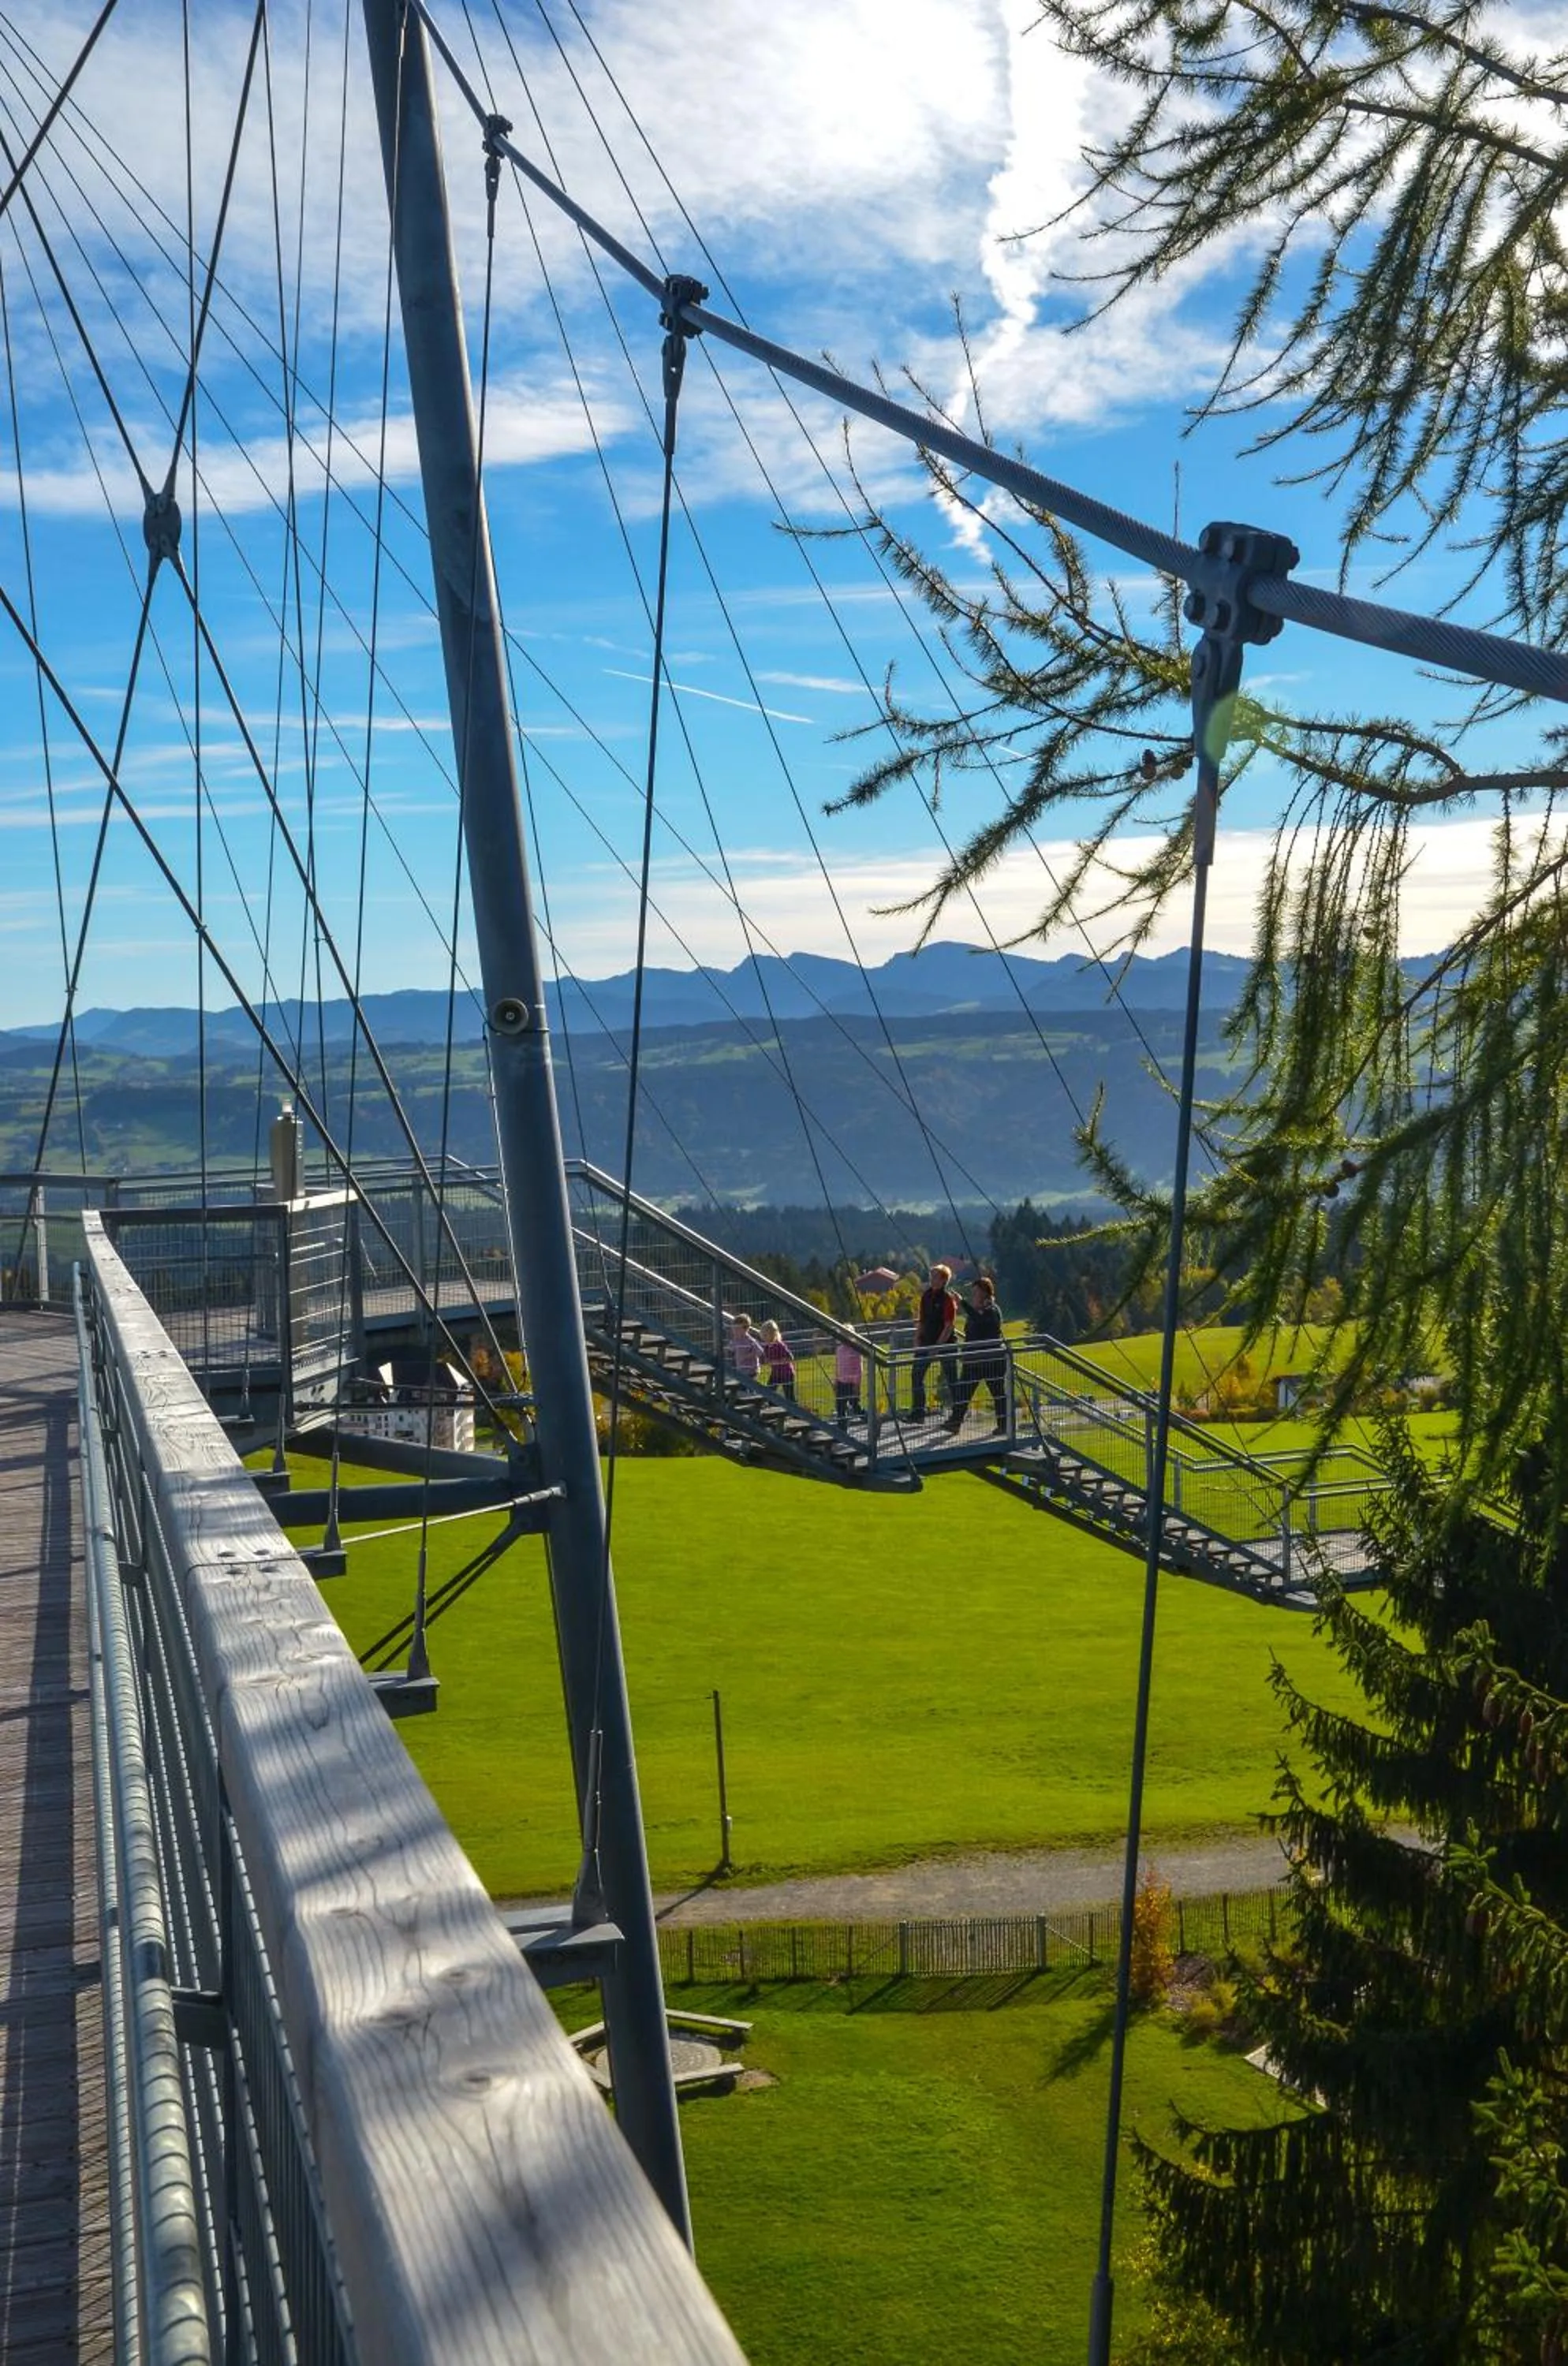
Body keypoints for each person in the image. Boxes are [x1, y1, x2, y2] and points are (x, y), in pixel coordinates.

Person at [943, 1276, 1007, 1435]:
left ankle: (1004, 1425)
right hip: (974, 1360)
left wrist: (963, 1303)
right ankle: (955, 1422)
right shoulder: (978, 1310)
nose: (974, 1295)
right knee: (963, 1391)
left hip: (992, 1360)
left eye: (977, 1292)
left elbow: (981, 1321)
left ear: (985, 1293)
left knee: (998, 1393)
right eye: (974, 1292)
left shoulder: (992, 1310)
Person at [909, 1263, 958, 1421]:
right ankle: (918, 1412)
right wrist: (917, 1338)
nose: (931, 1280)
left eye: (935, 1277)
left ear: (944, 1280)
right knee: (916, 1375)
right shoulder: (926, 1296)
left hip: (945, 1344)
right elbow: (922, 1320)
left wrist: (938, 1346)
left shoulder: (947, 1299)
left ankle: (958, 1414)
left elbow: (949, 1326)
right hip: (926, 1342)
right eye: (931, 1277)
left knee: (952, 1379)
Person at [759, 1319, 797, 1401]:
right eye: (763, 1335)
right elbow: (765, 1359)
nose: (764, 1337)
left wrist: (775, 1362)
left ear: (773, 1334)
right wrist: (763, 1361)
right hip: (776, 1374)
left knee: (789, 1396)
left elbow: (790, 1357)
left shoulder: (780, 1345)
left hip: (787, 1374)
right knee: (769, 1392)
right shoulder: (767, 1347)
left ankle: (794, 1411)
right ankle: (771, 1406)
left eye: (766, 1335)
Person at [833, 1333, 865, 1428]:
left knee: (856, 1407)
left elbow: (859, 1369)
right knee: (840, 1408)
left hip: (851, 1384)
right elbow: (837, 1366)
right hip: (841, 1383)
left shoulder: (856, 1351)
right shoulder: (839, 1350)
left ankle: (870, 1419)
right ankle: (841, 1431)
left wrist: (857, 1385)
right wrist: (836, 1381)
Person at [730, 1312, 765, 1383]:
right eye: (733, 1329)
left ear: (746, 1329)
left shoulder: (751, 1341)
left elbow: (760, 1352)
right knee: (741, 1389)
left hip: (752, 1371)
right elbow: (732, 1351)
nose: (735, 1332)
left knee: (750, 1389)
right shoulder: (735, 1341)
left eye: (737, 1329)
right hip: (741, 1370)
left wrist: (748, 1356)